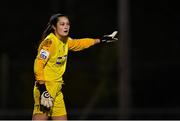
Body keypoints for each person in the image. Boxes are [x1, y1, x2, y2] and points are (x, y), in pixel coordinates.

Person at [32, 13, 118, 120]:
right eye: (62, 24)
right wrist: (43, 90)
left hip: (57, 89)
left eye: (68, 24)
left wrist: (100, 40)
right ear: (54, 27)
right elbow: (38, 65)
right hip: (46, 88)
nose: (66, 26)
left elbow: (79, 43)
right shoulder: (49, 42)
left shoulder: (65, 41)